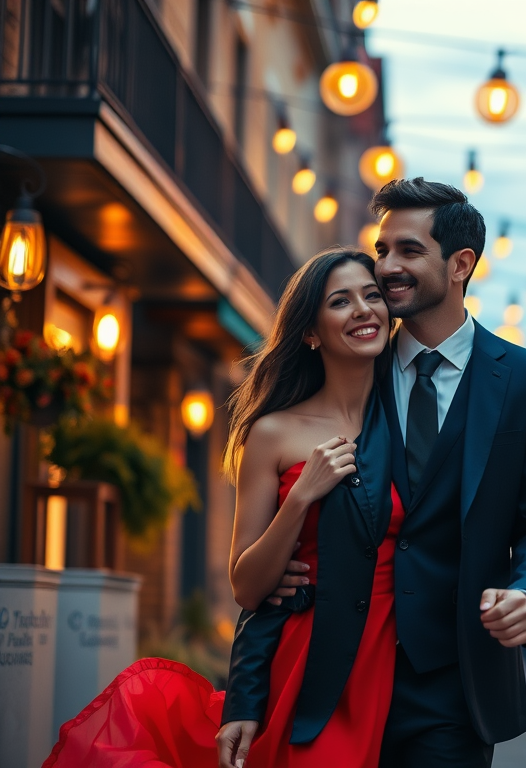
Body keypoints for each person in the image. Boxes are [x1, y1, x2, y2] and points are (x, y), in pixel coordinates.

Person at [224, 178, 526, 768]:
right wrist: (245, 692)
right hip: (339, 672)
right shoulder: (356, 365)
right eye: (382, 250)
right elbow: (282, 573)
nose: (386, 268)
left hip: (455, 681)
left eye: (408, 251)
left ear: (460, 264)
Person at [45, 248, 404, 768]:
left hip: (392, 653)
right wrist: (302, 497)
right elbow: (248, 586)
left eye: (372, 296)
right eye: (340, 302)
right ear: (310, 331)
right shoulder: (273, 432)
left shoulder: (410, 425)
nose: (363, 310)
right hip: (307, 657)